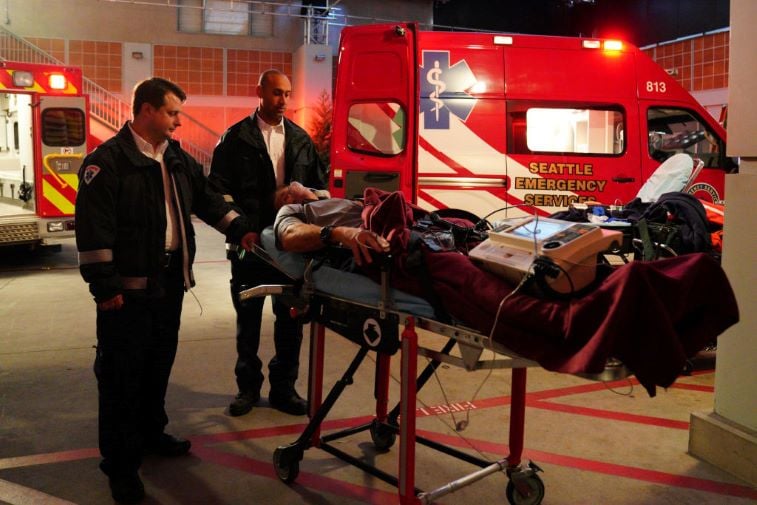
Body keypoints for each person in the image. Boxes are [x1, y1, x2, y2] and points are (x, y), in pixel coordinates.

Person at [270, 186, 738, 399]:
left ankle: (638, 286)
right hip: (420, 260)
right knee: (515, 304)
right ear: (287, 198)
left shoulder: (342, 200)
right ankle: (612, 308)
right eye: (292, 189)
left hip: (446, 239)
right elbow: (287, 240)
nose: (301, 187)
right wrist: (341, 234)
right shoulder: (298, 214)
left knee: (541, 268)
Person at [75, 77, 256, 504]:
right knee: (121, 380)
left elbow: (207, 200)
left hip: (168, 286)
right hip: (126, 296)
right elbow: (94, 230)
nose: (178, 121)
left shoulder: (174, 157)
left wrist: (241, 229)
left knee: (156, 368)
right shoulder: (108, 162)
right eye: (172, 113)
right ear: (147, 110)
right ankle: (121, 466)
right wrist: (105, 287)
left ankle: (151, 435)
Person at [208, 69, 329, 417]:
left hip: (289, 244)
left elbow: (320, 190)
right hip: (248, 244)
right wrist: (240, 229)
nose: (283, 101)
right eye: (277, 93)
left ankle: (283, 389)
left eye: (287, 94)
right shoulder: (235, 139)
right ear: (259, 92)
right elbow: (217, 192)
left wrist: (308, 202)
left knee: (290, 319)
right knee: (247, 321)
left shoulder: (300, 140)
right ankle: (247, 389)